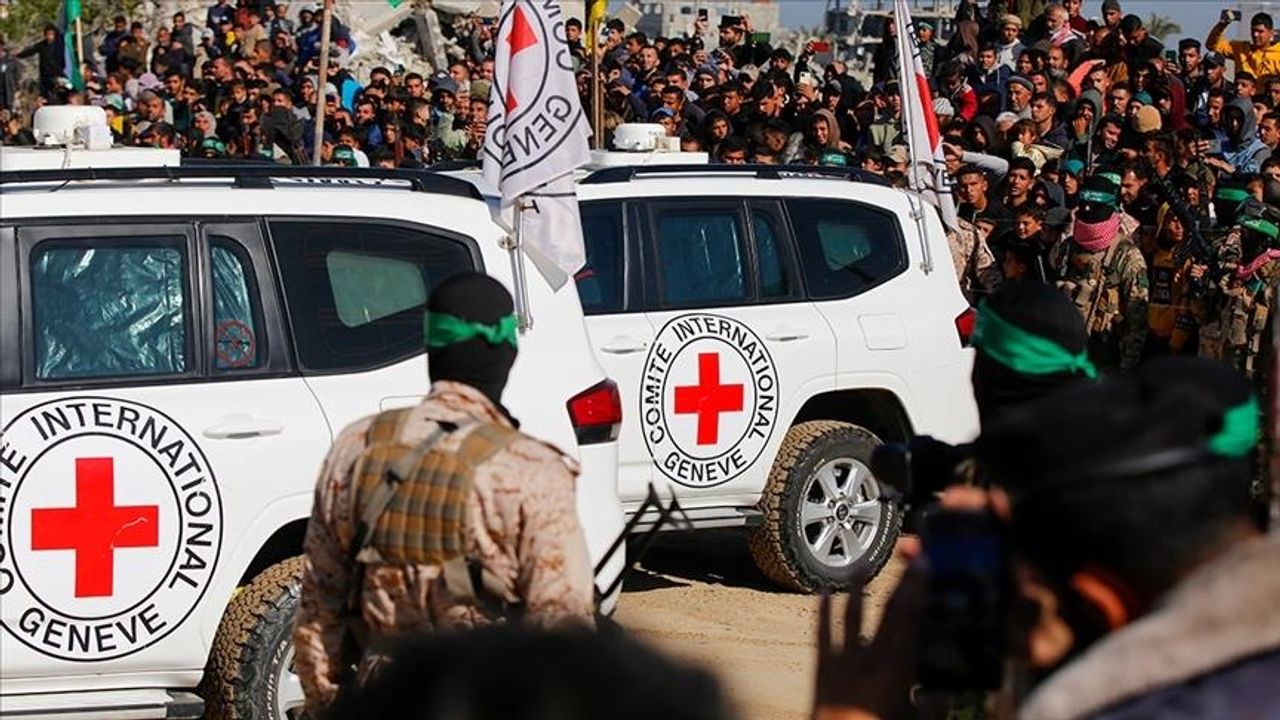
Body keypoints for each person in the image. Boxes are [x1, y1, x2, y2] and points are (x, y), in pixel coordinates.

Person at [293, 274, 596, 716]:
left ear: (432, 349)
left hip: (382, 699)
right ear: (506, 353)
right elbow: (562, 632)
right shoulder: (530, 468)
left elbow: (319, 607)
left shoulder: (357, 446)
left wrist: (333, 707)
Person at [1056, 176, 1149, 373]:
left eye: (1096, 206)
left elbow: (1137, 319)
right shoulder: (1068, 247)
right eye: (1084, 205)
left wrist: (1126, 370)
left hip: (1105, 360)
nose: (1088, 211)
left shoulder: (1127, 255)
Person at [1206, 10, 1280, 80]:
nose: (1255, 34)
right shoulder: (1240, 48)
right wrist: (1222, 25)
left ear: (1271, 33)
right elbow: (1212, 45)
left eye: (1260, 31)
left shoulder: (1278, 53)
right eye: (1253, 30)